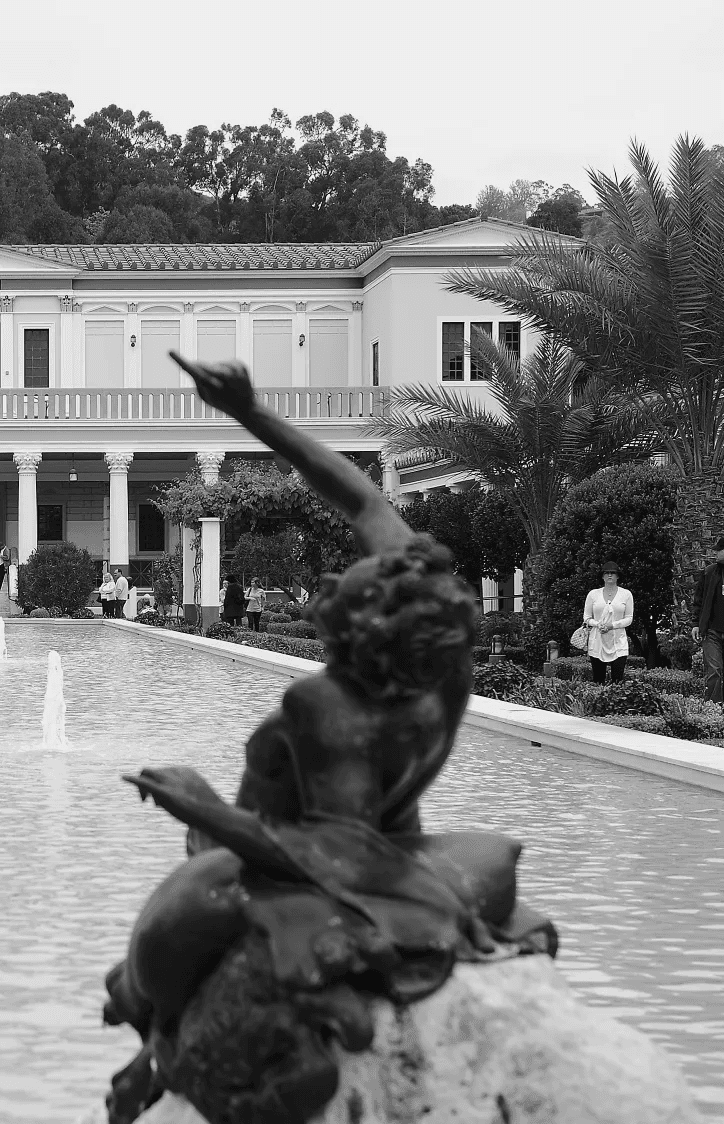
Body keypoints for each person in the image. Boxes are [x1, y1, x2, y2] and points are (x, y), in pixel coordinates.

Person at [105, 353, 554, 1118]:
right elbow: (356, 493)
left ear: (365, 632)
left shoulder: (331, 708)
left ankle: (168, 1054)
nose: (333, 583)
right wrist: (250, 414)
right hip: (395, 852)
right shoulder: (439, 661)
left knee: (170, 930)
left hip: (294, 864)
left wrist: (199, 806)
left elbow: (330, 854)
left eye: (347, 589)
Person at [583, 560, 633, 683]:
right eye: (606, 573)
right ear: (602, 576)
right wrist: (597, 624)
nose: (609, 575)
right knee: (598, 679)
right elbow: (587, 618)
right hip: (597, 641)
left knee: (618, 680)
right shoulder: (593, 594)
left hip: (618, 641)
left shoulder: (626, 594)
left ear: (618, 576)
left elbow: (629, 618)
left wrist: (612, 626)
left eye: (613, 573)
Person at [692, 534, 724, 703]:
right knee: (714, 670)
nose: (716, 554)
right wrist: (696, 624)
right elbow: (698, 600)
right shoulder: (709, 573)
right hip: (712, 631)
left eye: (719, 550)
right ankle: (713, 708)